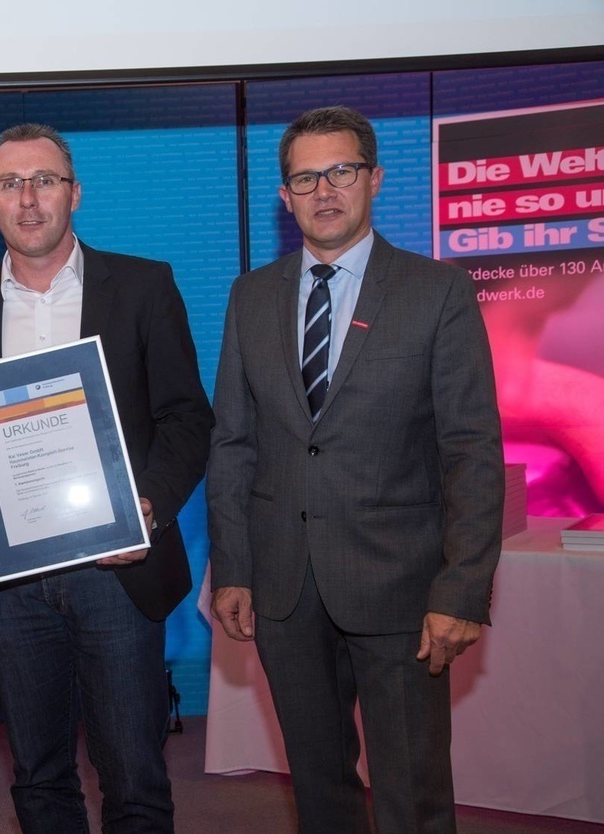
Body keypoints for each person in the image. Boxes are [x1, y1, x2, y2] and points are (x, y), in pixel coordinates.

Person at [208, 105, 504, 833]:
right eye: (305, 178)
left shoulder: (437, 291)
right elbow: (234, 443)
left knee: (412, 792)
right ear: (284, 196)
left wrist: (463, 588)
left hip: (402, 587)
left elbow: (471, 448)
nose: (324, 190)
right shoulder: (251, 297)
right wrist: (234, 568)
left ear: (375, 178)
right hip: (283, 586)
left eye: (341, 171)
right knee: (319, 788)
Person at [0, 123, 214, 832]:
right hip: (10, 584)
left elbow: (187, 419)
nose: (28, 199)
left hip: (117, 569)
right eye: (9, 184)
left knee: (134, 778)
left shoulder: (144, 285)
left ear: (75, 193)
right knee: (39, 779)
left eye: (44, 180)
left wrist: (148, 508)